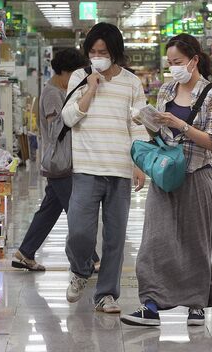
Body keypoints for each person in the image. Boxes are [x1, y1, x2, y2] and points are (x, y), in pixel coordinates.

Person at [120, 34, 212, 327]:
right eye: (170, 63)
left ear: (194, 60)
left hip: (197, 175)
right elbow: (162, 137)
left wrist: (181, 124)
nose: (173, 68)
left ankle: (196, 305)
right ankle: (151, 305)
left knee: (195, 242)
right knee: (155, 241)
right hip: (165, 174)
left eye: (178, 62)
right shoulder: (166, 89)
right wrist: (148, 122)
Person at [62, 22, 147, 313]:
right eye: (93, 52)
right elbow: (68, 118)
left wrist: (139, 164)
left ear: (115, 53)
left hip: (120, 170)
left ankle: (106, 294)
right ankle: (80, 269)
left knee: (115, 237)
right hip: (86, 168)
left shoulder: (132, 83)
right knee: (79, 232)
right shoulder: (78, 76)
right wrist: (89, 90)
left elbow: (138, 128)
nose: (97, 56)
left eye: (104, 52)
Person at [12, 48, 101, 271]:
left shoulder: (65, 89)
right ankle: (92, 258)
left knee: (50, 210)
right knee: (78, 212)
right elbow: (56, 128)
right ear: (62, 72)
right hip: (60, 162)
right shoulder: (53, 93)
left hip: (64, 162)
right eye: (73, 74)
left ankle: (25, 253)